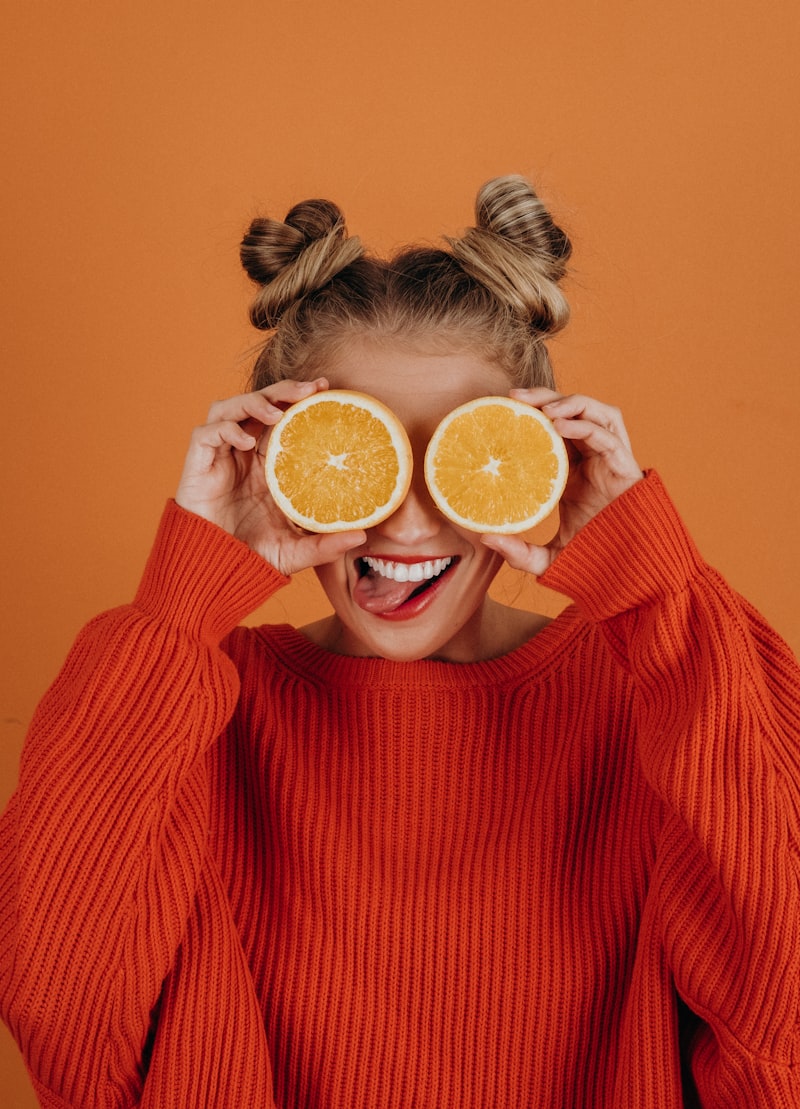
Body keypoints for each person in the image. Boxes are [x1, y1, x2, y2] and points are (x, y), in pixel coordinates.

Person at [1, 175, 798, 1109]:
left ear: (541, 461)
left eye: (463, 456)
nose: (410, 525)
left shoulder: (661, 686)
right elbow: (60, 1017)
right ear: (275, 461)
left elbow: (778, 1029)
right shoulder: (195, 707)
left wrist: (657, 592)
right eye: (356, 454)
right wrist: (182, 601)